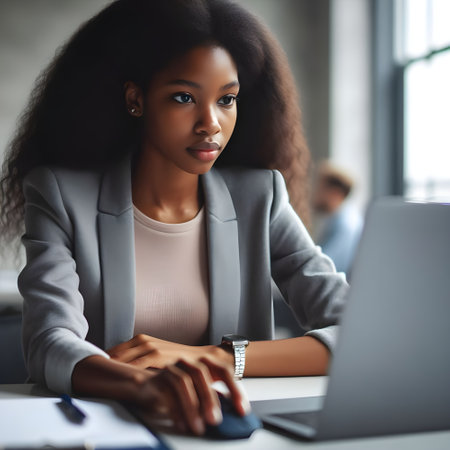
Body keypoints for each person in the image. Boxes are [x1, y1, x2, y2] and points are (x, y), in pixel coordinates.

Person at [0, 0, 348, 436]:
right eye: (184, 97)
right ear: (136, 99)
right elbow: (50, 343)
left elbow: (357, 331)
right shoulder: (59, 194)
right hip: (104, 431)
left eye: (227, 100)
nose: (210, 124)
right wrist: (145, 387)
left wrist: (219, 358)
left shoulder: (260, 197)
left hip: (232, 435)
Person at [312, 161, 363, 275]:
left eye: (320, 188)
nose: (315, 193)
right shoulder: (342, 218)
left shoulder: (344, 224)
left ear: (335, 193)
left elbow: (321, 267)